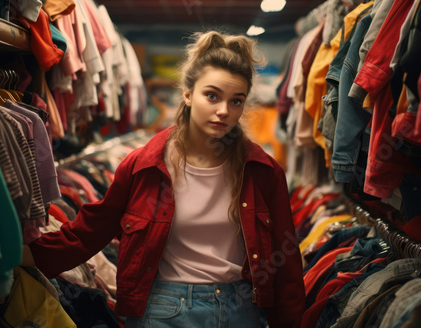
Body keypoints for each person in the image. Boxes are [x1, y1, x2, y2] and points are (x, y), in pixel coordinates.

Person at [22, 31, 305, 327]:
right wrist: (15, 255)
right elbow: (90, 231)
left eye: (237, 101)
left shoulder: (262, 171)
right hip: (164, 309)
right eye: (212, 96)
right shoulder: (143, 166)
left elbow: (285, 261)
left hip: (240, 310)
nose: (224, 111)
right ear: (187, 94)